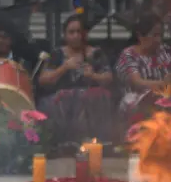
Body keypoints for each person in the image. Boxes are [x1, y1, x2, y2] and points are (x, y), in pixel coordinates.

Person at [37, 14, 115, 147]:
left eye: (79, 32)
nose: (76, 36)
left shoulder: (95, 53)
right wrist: (64, 67)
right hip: (63, 100)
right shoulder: (57, 54)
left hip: (90, 98)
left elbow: (109, 78)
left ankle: (93, 141)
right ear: (65, 35)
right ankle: (64, 142)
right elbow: (43, 80)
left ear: (85, 33)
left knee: (97, 96)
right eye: (71, 32)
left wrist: (93, 75)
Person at [116, 13, 171, 125]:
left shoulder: (163, 52)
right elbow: (137, 82)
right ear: (140, 36)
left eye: (160, 35)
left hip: (165, 98)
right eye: (155, 35)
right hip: (136, 101)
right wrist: (161, 84)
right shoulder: (129, 55)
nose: (158, 40)